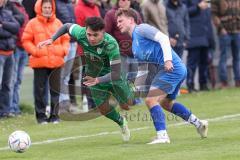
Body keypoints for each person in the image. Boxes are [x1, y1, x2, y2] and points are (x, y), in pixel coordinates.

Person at [116, 8, 208, 144]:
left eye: (120, 20)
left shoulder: (141, 29)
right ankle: (199, 124)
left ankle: (163, 136)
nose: (118, 24)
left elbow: (163, 38)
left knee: (151, 100)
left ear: (131, 20)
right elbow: (143, 70)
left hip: (171, 68)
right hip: (174, 70)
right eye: (117, 22)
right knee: (166, 103)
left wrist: (167, 60)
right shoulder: (134, 45)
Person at [38, 17, 138, 141]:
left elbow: (116, 73)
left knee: (128, 104)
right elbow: (67, 26)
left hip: (113, 76)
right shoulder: (81, 33)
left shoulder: (111, 44)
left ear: (103, 32)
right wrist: (52, 39)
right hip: (93, 76)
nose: (91, 38)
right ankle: (121, 122)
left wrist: (99, 80)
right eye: (89, 34)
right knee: (103, 109)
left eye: (95, 35)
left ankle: (128, 90)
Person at [22, 0, 70, 124]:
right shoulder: (32, 23)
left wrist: (63, 50)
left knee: (55, 90)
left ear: (52, 8)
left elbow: (66, 39)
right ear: (40, 8)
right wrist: (36, 52)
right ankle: (41, 116)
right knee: (40, 91)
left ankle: (55, 116)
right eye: (45, 7)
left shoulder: (58, 22)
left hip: (56, 62)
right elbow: (26, 40)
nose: (47, 9)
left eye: (49, 7)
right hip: (40, 62)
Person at [211, 0, 240, 88]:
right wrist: (221, 29)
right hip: (224, 32)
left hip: (237, 32)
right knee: (223, 57)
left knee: (237, 57)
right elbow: (214, 15)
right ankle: (224, 82)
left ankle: (238, 81)